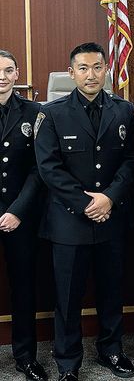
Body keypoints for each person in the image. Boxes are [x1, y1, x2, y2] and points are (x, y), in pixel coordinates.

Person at [34, 42, 134, 381]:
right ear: (71, 73)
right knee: (68, 297)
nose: (90, 74)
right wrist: (87, 203)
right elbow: (49, 168)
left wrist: (108, 198)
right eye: (83, 68)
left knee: (112, 289)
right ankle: (67, 362)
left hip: (112, 216)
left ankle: (112, 350)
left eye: (97, 67)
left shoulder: (123, 110)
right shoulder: (51, 113)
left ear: (106, 70)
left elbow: (131, 161)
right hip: (69, 221)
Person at [0, 50, 46, 381]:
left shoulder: (35, 112)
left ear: (18, 75)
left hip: (21, 217)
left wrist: (17, 210)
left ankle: (26, 357)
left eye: (8, 70)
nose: (1, 76)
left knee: (24, 287)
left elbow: (38, 169)